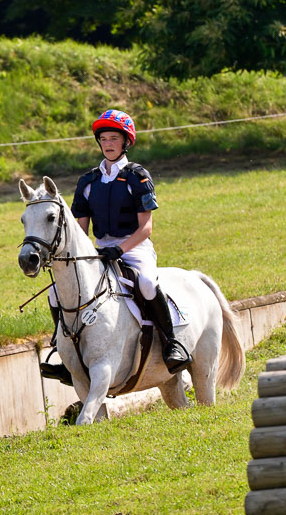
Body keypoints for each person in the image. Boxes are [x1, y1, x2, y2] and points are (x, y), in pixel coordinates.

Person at [40, 108, 192, 384]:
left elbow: (146, 227)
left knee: (146, 282)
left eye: (114, 138)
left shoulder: (138, 177)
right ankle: (62, 352)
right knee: (54, 293)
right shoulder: (88, 182)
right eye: (104, 139)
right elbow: (80, 230)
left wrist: (120, 249)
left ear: (125, 142)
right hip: (98, 249)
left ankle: (172, 344)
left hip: (134, 248)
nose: (108, 143)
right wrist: (87, 252)